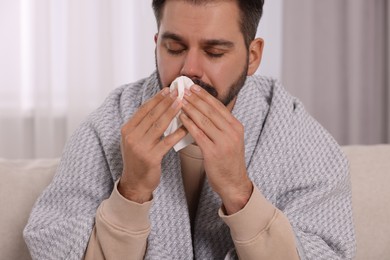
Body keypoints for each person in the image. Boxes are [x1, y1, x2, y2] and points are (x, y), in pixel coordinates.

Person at [24, 0, 356, 259]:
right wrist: (132, 190)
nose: (189, 70)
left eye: (214, 52)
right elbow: (54, 247)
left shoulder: (300, 137)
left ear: (252, 56)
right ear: (156, 44)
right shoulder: (108, 126)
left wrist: (239, 192)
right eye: (175, 48)